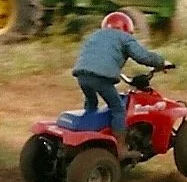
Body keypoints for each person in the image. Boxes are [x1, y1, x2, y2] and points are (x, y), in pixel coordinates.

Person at [71, 11, 173, 149]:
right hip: (101, 78)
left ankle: (87, 137)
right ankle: (120, 147)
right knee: (118, 109)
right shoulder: (125, 38)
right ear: (127, 28)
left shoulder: (95, 35)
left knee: (91, 104)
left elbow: (93, 55)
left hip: (82, 76)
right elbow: (142, 56)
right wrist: (161, 62)